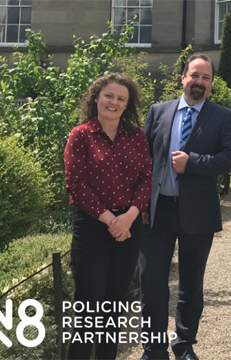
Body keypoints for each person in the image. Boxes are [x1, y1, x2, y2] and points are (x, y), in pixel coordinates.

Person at [139, 54, 231, 360]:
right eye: (194, 76)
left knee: (191, 284)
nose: (199, 82)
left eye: (206, 78)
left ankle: (183, 344)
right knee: (152, 283)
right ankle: (154, 348)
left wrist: (192, 163)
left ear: (211, 84)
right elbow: (143, 161)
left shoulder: (222, 116)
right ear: (182, 78)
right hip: (157, 212)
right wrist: (141, 203)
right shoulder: (158, 112)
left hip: (197, 212)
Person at [64, 73, 152, 360]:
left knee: (114, 306)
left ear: (128, 105)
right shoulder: (81, 135)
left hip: (128, 228)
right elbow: (76, 183)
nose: (114, 102)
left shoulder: (136, 136)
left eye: (121, 98)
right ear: (96, 98)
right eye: (109, 96)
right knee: (88, 307)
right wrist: (110, 219)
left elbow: (146, 179)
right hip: (92, 228)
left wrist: (129, 217)